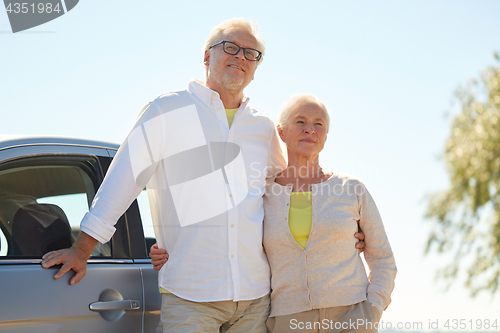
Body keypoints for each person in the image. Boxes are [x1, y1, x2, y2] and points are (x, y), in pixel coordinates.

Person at [43, 18, 366, 333]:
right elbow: (124, 179)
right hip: (189, 296)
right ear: (207, 55)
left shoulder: (263, 129)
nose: (241, 57)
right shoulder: (166, 111)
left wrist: (337, 232)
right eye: (231, 47)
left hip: (255, 298)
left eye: (251, 54)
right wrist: (83, 249)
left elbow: (285, 192)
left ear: (254, 71)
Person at [262, 94, 397, 333]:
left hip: (351, 316)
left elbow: (383, 258)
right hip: (288, 321)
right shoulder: (262, 195)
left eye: (319, 124)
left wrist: (372, 309)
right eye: (300, 121)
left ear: (325, 135)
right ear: (281, 132)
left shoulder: (351, 189)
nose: (310, 130)